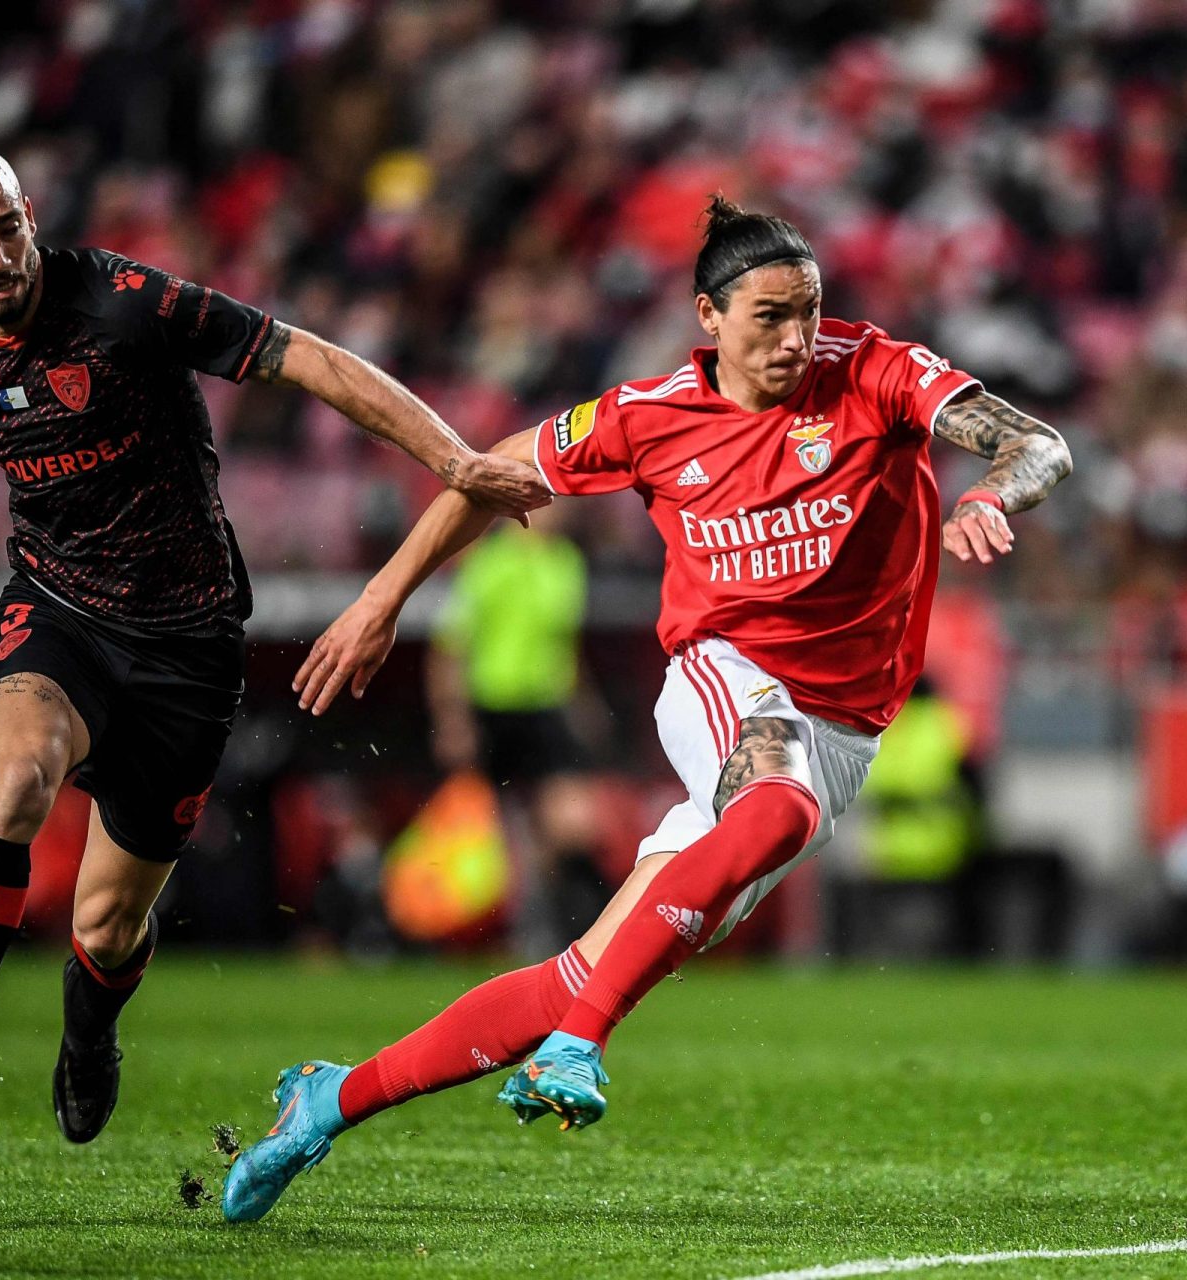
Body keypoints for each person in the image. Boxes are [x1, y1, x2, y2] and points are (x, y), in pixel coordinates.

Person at [220, 196, 1072, 1221]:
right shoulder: (646, 415)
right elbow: (485, 477)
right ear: (707, 316)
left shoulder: (878, 371)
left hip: (845, 729)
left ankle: (329, 1097)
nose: (796, 339)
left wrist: (986, 495)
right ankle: (587, 1044)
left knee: (582, 969)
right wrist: (380, 597)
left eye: (808, 311)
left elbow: (1039, 443)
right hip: (726, 674)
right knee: (775, 804)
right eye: (767, 317)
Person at [0, 144, 549, 1190]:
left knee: (108, 925)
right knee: (15, 781)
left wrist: (454, 459)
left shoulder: (125, 300)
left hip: (189, 646)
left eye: (8, 225)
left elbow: (311, 357)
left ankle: (89, 1028)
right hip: (56, 613)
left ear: (30, 213)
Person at [425, 502, 607, 953]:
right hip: (493, 708)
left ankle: (556, 930)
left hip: (546, 708)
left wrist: (586, 707)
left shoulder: (567, 563)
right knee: (496, 834)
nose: (556, 512)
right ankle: (507, 929)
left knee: (570, 825)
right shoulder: (489, 562)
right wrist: (453, 720)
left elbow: (567, 644)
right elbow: (449, 647)